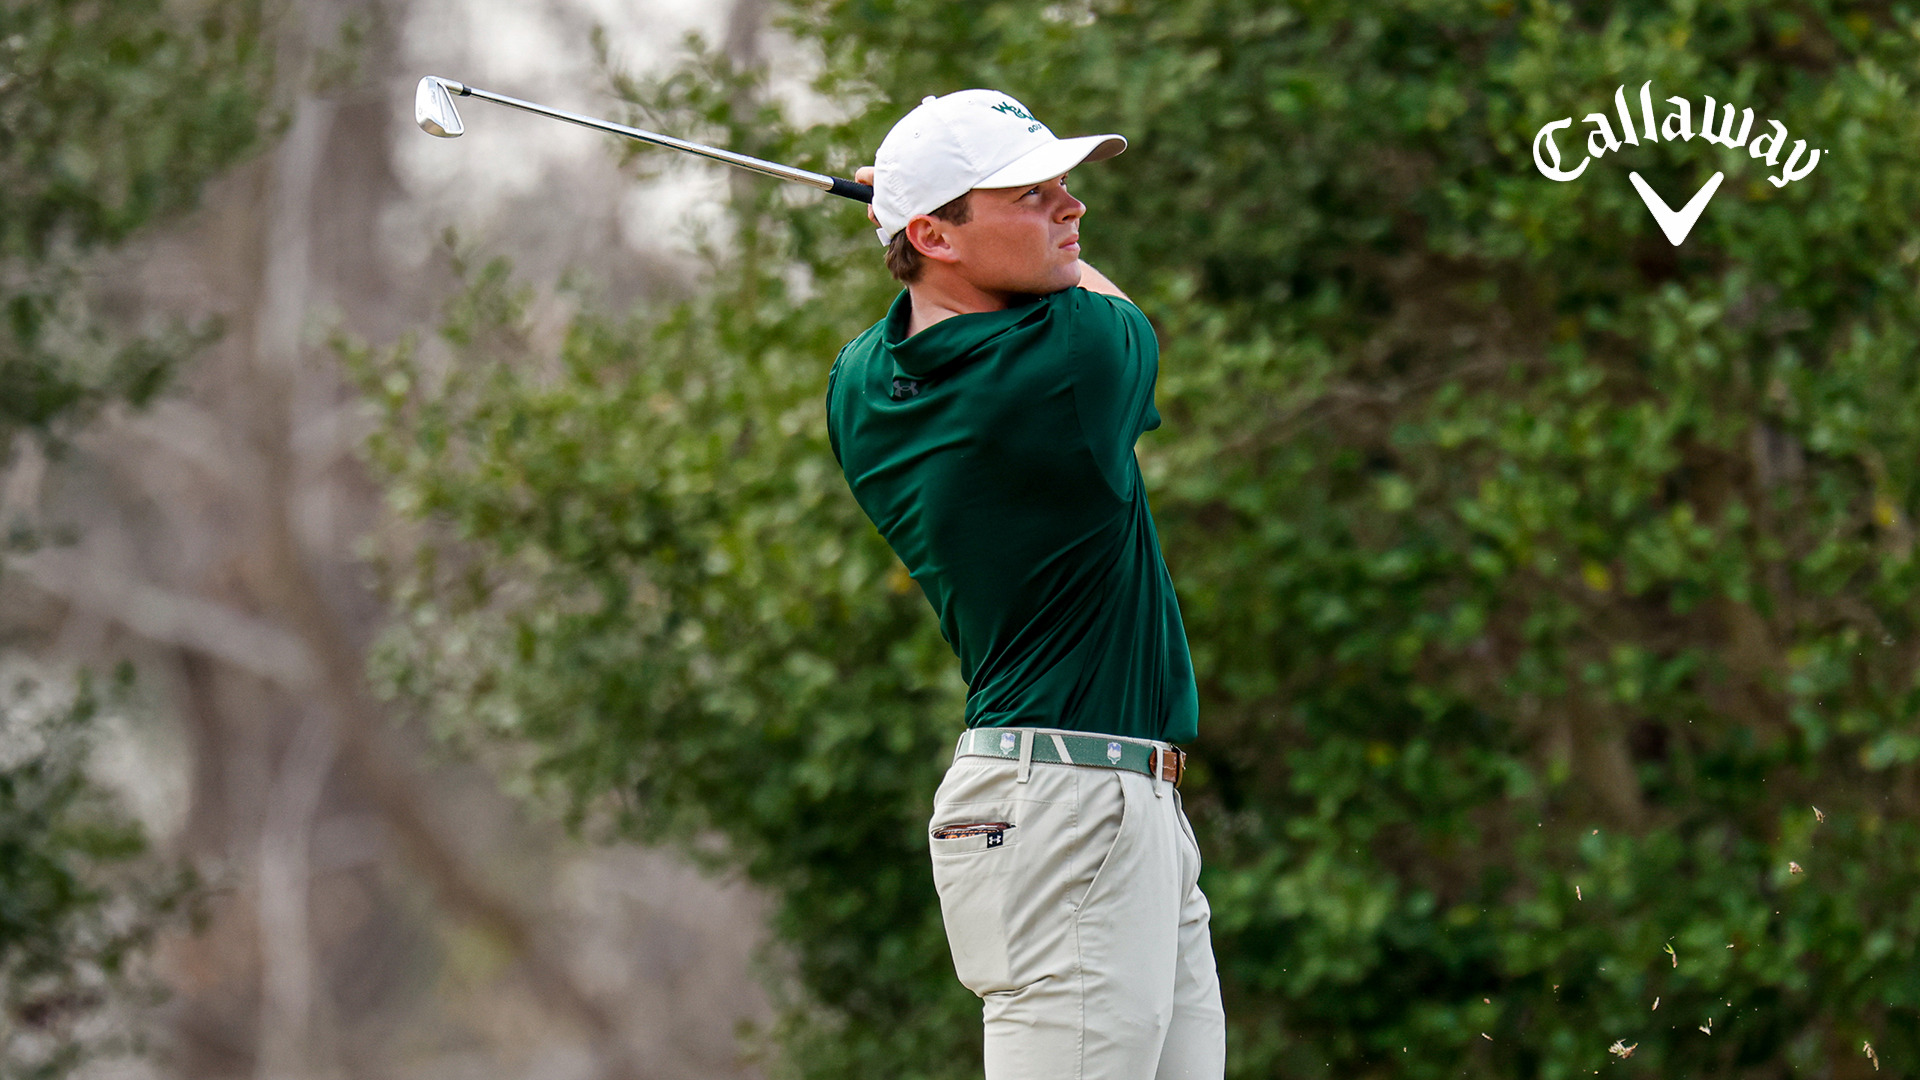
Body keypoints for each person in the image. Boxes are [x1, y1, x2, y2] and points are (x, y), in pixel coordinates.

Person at [825, 89, 1225, 1080]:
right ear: (933, 232)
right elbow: (1112, 307)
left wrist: (931, 234)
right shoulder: (1073, 363)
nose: (1071, 209)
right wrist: (915, 218)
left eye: (1065, 186)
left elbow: (932, 313)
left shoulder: (860, 384)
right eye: (1031, 193)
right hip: (1067, 805)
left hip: (1084, 801)